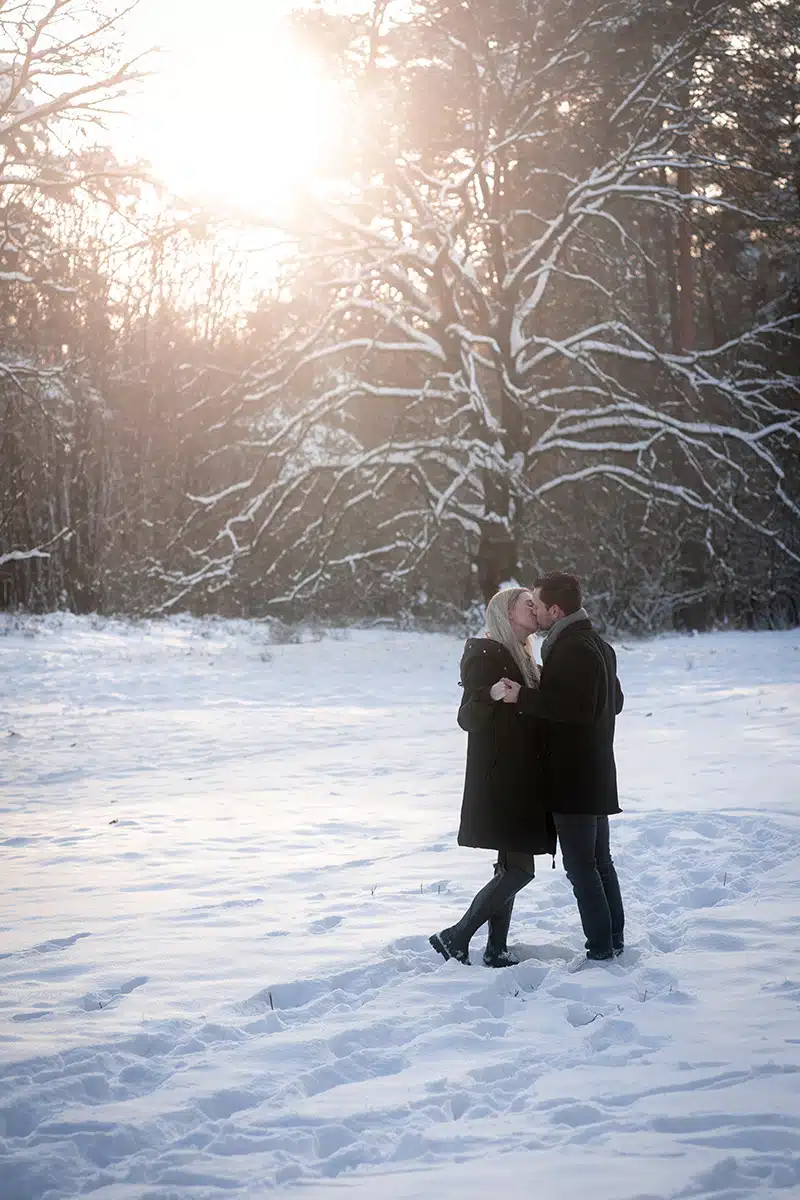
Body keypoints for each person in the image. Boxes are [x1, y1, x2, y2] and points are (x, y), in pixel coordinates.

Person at [496, 571, 625, 965]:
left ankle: (601, 948)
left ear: (556, 608)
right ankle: (613, 940)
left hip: (574, 777)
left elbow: (576, 708)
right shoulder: (598, 644)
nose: (533, 609)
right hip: (596, 771)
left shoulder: (572, 648)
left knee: (582, 866)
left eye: (537, 603)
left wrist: (525, 697)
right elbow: (613, 702)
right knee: (599, 861)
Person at [430, 588, 556, 968]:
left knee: (510, 864)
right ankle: (455, 936)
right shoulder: (486, 654)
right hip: (503, 778)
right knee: (519, 869)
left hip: (521, 775)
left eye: (536, 604)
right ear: (506, 613)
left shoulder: (523, 656)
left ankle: (495, 949)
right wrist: (490, 694)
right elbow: (466, 716)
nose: (535, 609)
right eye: (527, 604)